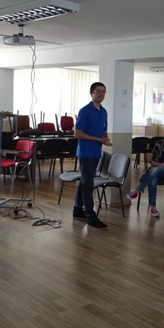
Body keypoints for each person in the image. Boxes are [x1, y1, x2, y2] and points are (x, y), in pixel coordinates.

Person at [73, 82, 112, 230]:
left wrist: (105, 139)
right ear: (91, 93)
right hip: (86, 153)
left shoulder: (104, 112)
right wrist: (98, 140)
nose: (101, 94)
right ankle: (90, 216)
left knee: (85, 181)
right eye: (98, 91)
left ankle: (78, 210)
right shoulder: (85, 111)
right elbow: (77, 133)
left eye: (103, 91)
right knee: (88, 183)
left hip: (96, 152)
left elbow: (103, 130)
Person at [126, 122, 164, 218]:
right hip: (156, 170)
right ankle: (153, 208)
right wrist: (154, 163)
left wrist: (160, 165)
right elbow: (152, 158)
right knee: (153, 179)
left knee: (155, 170)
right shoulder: (158, 143)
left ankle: (136, 191)